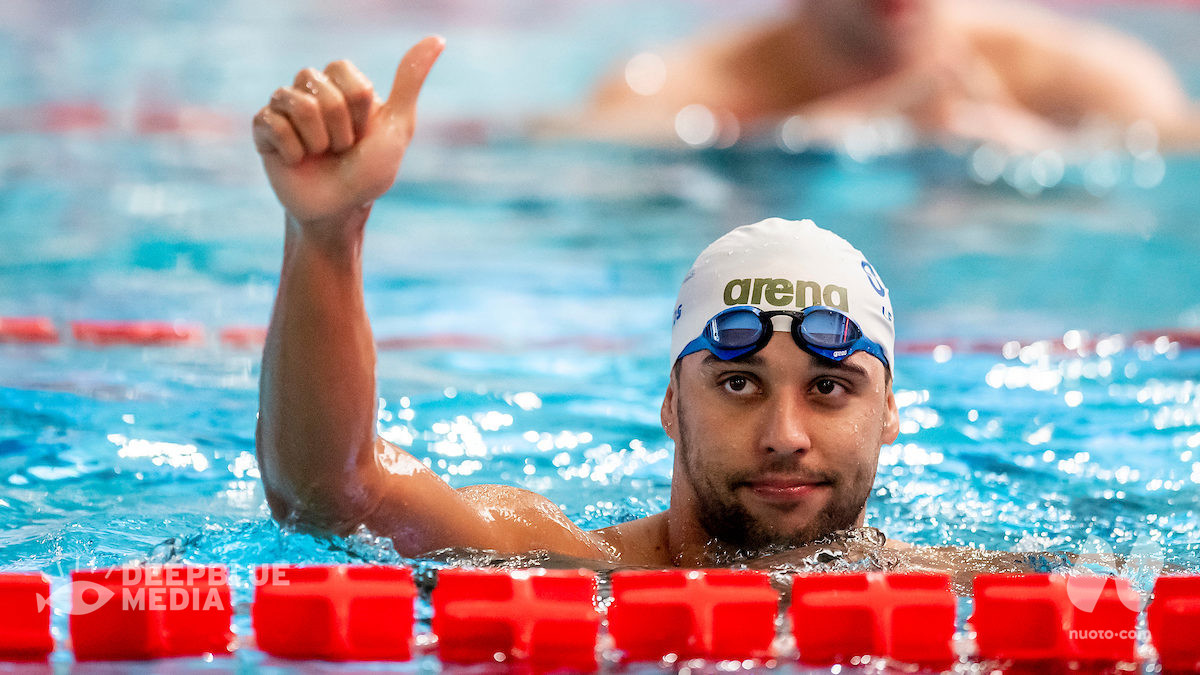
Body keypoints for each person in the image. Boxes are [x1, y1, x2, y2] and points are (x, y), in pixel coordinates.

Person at [251, 37, 930, 569]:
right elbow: (327, 492)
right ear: (671, 402)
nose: (786, 432)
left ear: (890, 409)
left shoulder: (964, 583)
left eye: (830, 386)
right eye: (738, 381)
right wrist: (328, 235)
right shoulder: (555, 562)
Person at [573, 0, 1200, 152]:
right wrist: (810, 136)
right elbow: (577, 159)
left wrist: (1043, 152)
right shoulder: (679, 88)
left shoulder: (1079, 77)